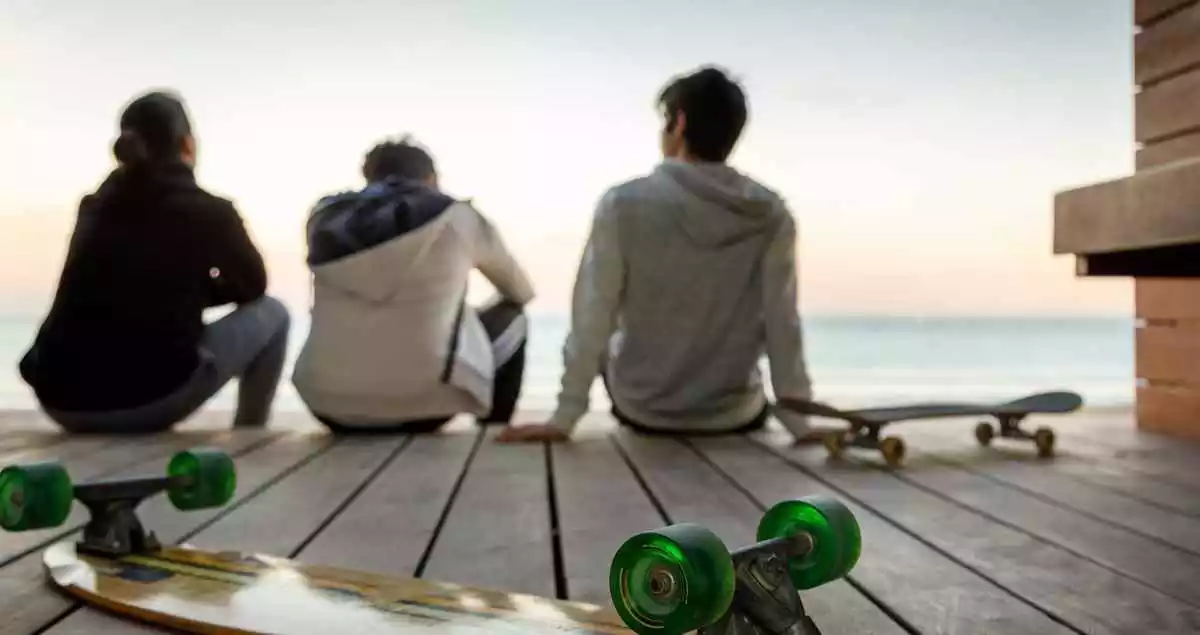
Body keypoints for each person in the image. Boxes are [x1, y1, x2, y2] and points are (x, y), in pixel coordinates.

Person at [498, 66, 832, 444]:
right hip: (734, 415)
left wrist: (564, 417)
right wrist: (800, 421)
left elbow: (594, 315)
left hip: (643, 410)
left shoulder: (623, 204)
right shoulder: (772, 213)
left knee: (608, 317)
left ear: (679, 123)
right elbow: (781, 322)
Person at [19, 90, 290, 433]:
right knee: (275, 312)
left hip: (58, 400)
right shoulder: (211, 211)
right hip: (146, 402)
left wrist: (182, 286)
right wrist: (198, 287)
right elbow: (254, 288)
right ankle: (250, 433)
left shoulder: (94, 207)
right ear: (187, 145)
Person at [292, 136, 535, 433]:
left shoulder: (324, 219)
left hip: (328, 405)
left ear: (368, 178)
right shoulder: (459, 216)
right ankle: (492, 432)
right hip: (426, 406)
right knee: (513, 313)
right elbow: (521, 292)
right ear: (431, 178)